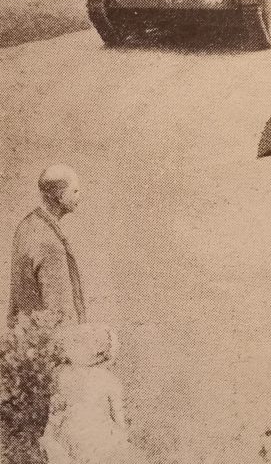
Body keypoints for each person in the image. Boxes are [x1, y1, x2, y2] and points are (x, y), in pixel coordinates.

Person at [40, 323, 149, 464]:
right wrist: (48, 436)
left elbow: (119, 416)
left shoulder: (109, 380)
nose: (85, 342)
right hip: (71, 439)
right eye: (83, 339)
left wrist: (123, 440)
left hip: (100, 440)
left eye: (97, 342)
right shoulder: (64, 375)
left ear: (101, 354)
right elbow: (56, 411)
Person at [8, 164, 87, 328]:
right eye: (75, 191)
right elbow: (59, 311)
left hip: (23, 338)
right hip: (46, 342)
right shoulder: (50, 242)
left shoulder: (26, 224)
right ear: (61, 195)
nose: (80, 196)